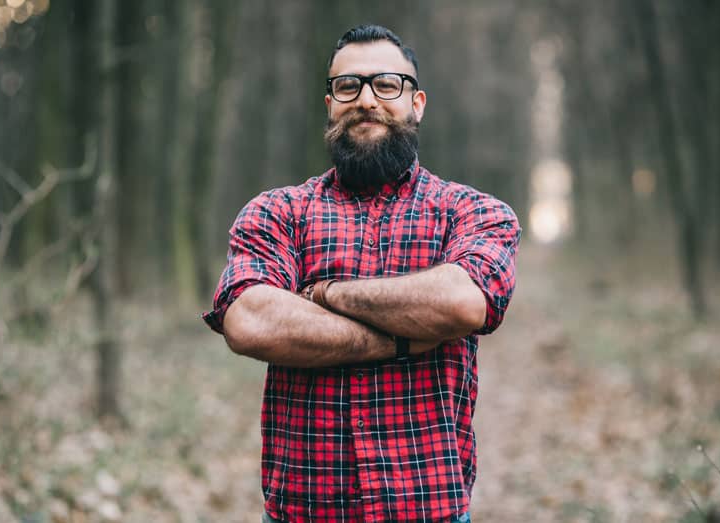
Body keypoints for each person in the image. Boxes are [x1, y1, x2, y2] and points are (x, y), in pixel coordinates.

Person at [203, 24, 520, 523]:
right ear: (330, 104)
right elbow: (249, 321)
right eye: (348, 86)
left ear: (417, 103)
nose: (367, 100)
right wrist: (402, 339)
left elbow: (461, 303)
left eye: (387, 85)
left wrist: (324, 294)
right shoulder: (277, 212)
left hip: (429, 510)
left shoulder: (474, 212)